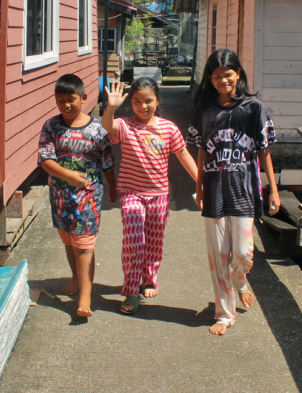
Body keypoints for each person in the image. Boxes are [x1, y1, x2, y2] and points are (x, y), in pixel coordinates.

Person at [187, 48, 281, 335]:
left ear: (237, 73)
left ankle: (240, 280)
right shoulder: (205, 109)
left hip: (244, 189)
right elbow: (202, 150)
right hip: (214, 189)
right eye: (216, 76)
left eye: (227, 74)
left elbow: (264, 151)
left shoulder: (254, 108)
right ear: (210, 79)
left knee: (242, 252)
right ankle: (224, 314)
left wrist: (273, 190)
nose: (222, 81)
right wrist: (199, 186)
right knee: (218, 255)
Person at [102, 77, 198, 315]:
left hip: (159, 195)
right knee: (134, 241)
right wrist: (111, 107)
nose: (143, 106)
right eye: (136, 102)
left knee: (154, 242)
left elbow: (184, 155)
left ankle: (149, 277)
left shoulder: (168, 128)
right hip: (132, 193)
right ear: (130, 103)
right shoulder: (125, 125)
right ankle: (132, 289)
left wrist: (201, 182)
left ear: (158, 100)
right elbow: (108, 125)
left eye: (148, 101)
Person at [37, 74, 117, 318]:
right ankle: (75, 277)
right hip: (60, 198)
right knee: (69, 242)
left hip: (88, 197)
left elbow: (107, 161)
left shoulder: (97, 129)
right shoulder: (51, 126)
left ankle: (85, 295)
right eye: (60, 100)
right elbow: (46, 160)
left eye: (71, 99)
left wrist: (113, 187)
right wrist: (68, 176)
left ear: (83, 98)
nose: (66, 105)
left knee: (84, 244)